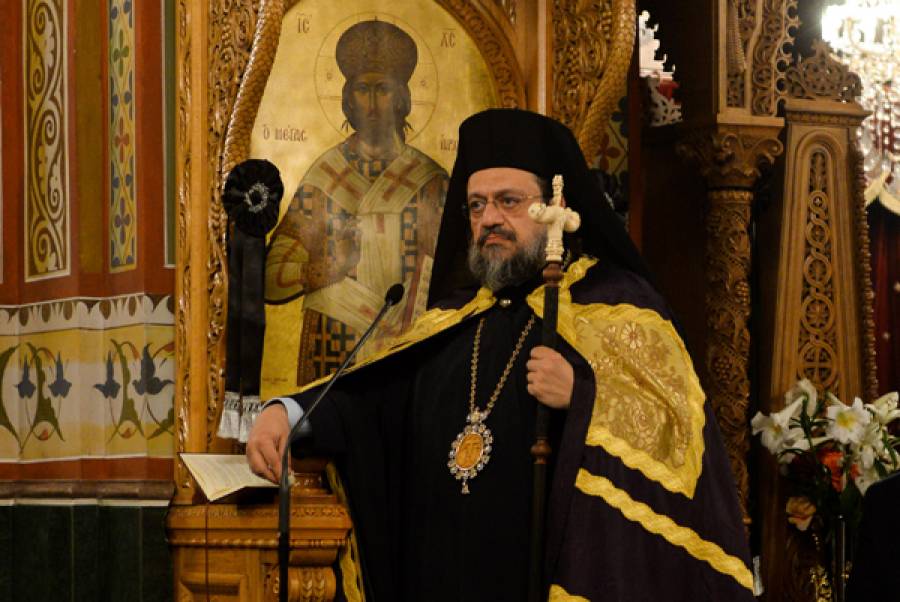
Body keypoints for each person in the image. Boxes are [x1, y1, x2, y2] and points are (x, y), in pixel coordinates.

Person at [248, 109, 755, 601]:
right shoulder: (454, 320)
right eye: (476, 205)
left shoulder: (617, 305)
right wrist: (287, 414)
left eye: (509, 201)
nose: (490, 218)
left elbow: (676, 435)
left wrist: (582, 395)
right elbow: (373, 398)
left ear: (558, 206)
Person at [264, 19, 446, 385]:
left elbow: (456, 279)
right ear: (348, 98)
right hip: (331, 352)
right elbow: (270, 279)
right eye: (364, 89)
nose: (374, 102)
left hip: (410, 356)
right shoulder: (325, 177)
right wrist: (327, 268)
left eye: (384, 89)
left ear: (402, 97)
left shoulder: (430, 182)